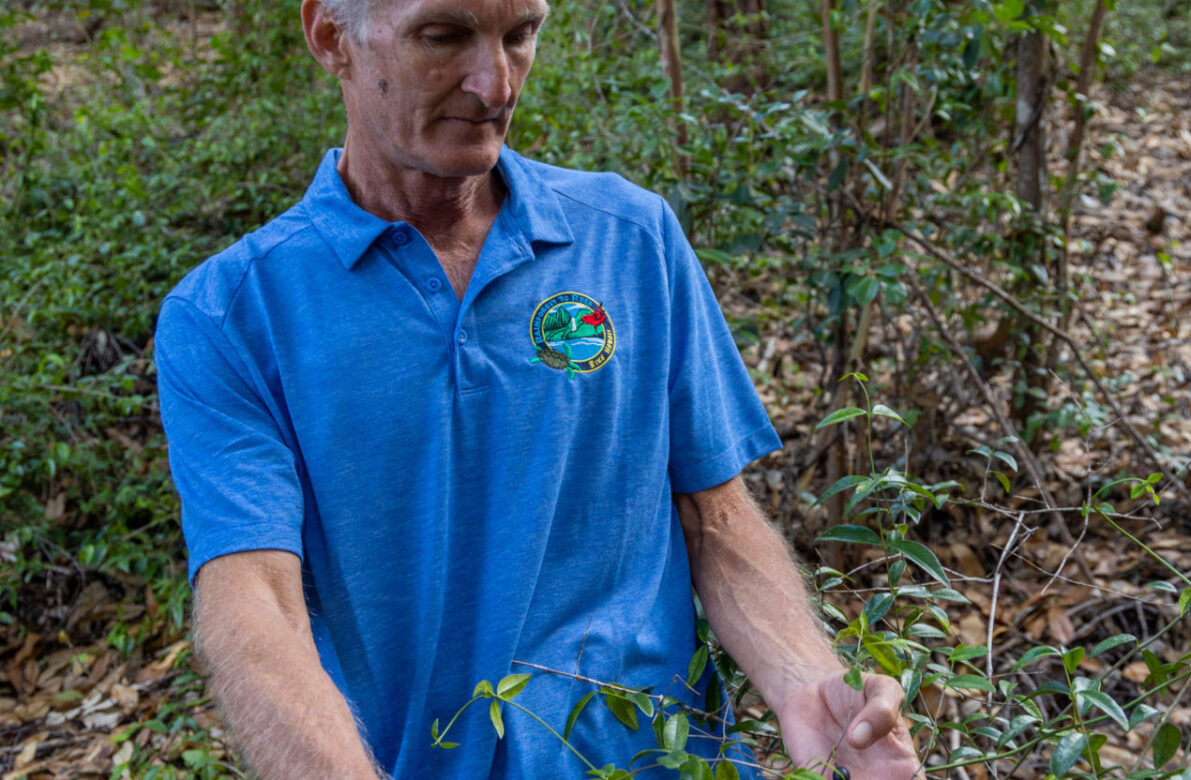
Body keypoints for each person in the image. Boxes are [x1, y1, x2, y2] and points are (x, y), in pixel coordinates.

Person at [154, 0, 924, 777]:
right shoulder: (231, 314)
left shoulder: (628, 238)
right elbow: (254, 600)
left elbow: (713, 516)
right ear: (331, 37)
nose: (495, 84)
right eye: (444, 35)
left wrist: (803, 681)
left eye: (520, 34)